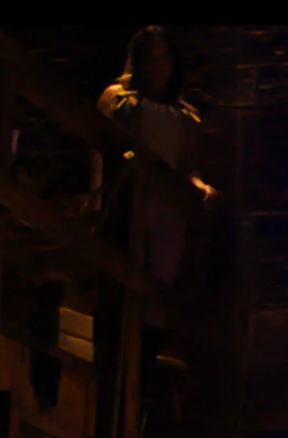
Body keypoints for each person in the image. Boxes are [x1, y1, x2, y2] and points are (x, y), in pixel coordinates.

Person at [98, 26, 212, 343]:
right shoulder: (120, 100)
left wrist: (199, 187)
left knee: (156, 291)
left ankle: (145, 353)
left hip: (166, 210)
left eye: (163, 58)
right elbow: (100, 145)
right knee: (118, 282)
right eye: (150, 57)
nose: (156, 66)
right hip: (126, 198)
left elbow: (187, 167)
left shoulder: (184, 117)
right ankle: (111, 347)